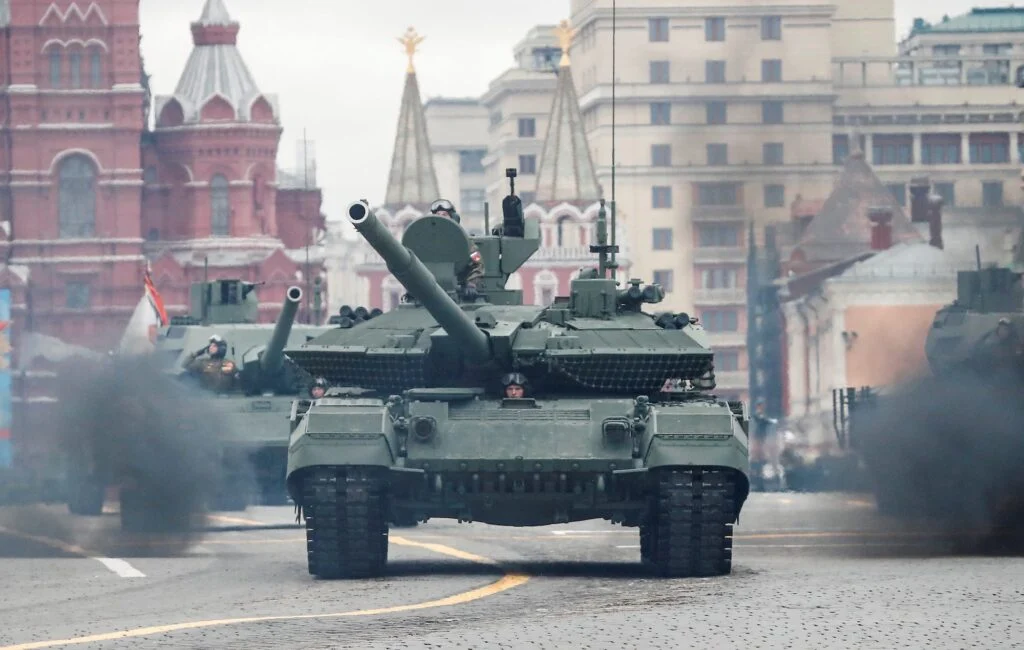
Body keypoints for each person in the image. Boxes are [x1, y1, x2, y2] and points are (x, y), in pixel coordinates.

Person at [430, 198, 484, 298]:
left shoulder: (465, 242)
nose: (441, 218)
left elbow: (477, 264)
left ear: (452, 218)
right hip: (431, 289)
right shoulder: (426, 241)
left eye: (444, 215)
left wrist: (472, 284)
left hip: (459, 290)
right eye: (437, 215)